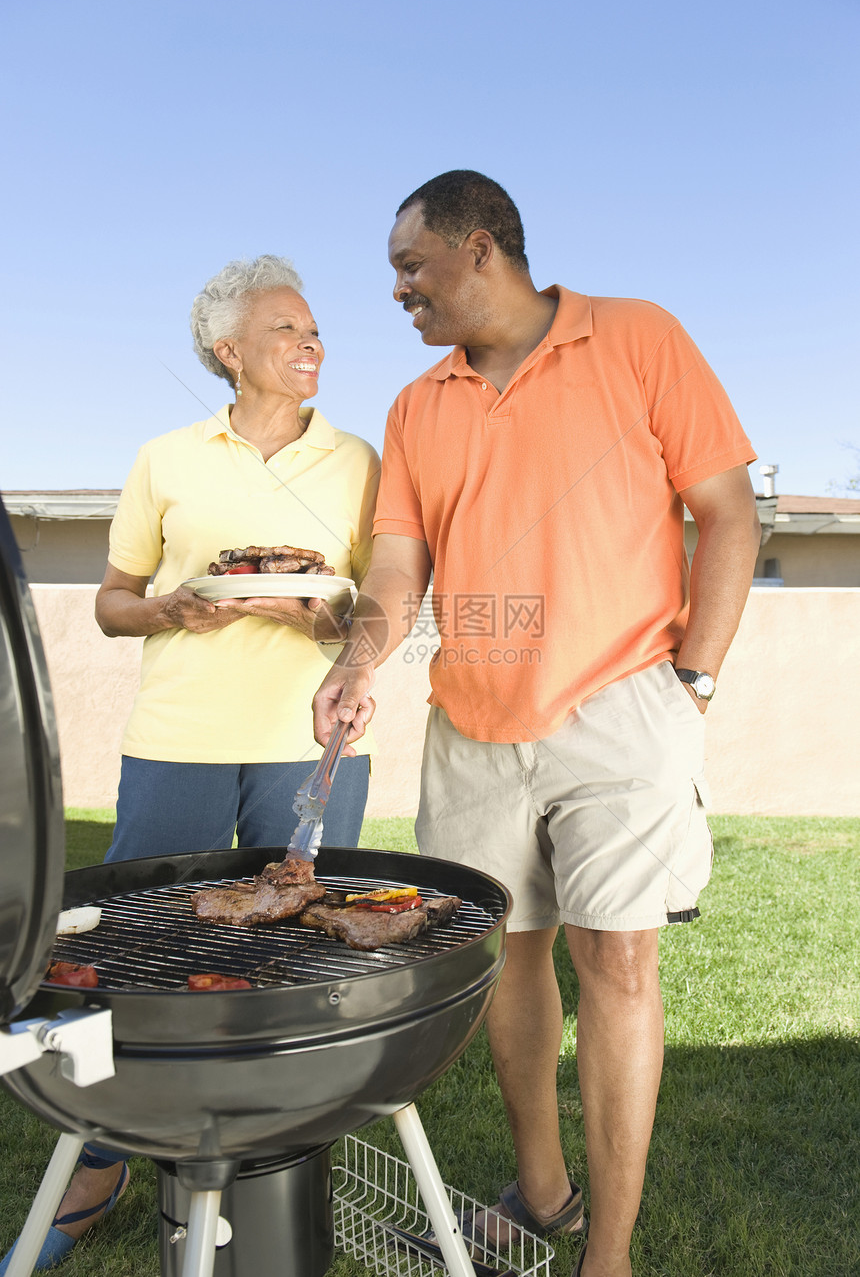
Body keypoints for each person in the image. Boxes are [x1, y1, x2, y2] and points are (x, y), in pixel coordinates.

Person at [312, 172, 761, 1277]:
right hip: (472, 719)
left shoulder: (637, 337)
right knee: (505, 957)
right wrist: (358, 657)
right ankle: (545, 1192)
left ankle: (606, 1253)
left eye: (409, 267)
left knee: (616, 962)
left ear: (477, 250)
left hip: (622, 705)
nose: (398, 292)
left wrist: (688, 683)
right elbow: (402, 561)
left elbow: (727, 514)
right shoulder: (419, 404)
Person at [0, 254, 379, 1274]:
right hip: (179, 732)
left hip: (314, 735)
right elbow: (113, 598)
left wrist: (327, 614)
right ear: (229, 349)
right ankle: (104, 1157)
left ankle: (273, 1149)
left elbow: (379, 604)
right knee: (132, 949)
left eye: (314, 332)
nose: (313, 348)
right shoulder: (167, 456)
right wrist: (175, 605)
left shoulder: (358, 459)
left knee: (302, 951)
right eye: (288, 332)